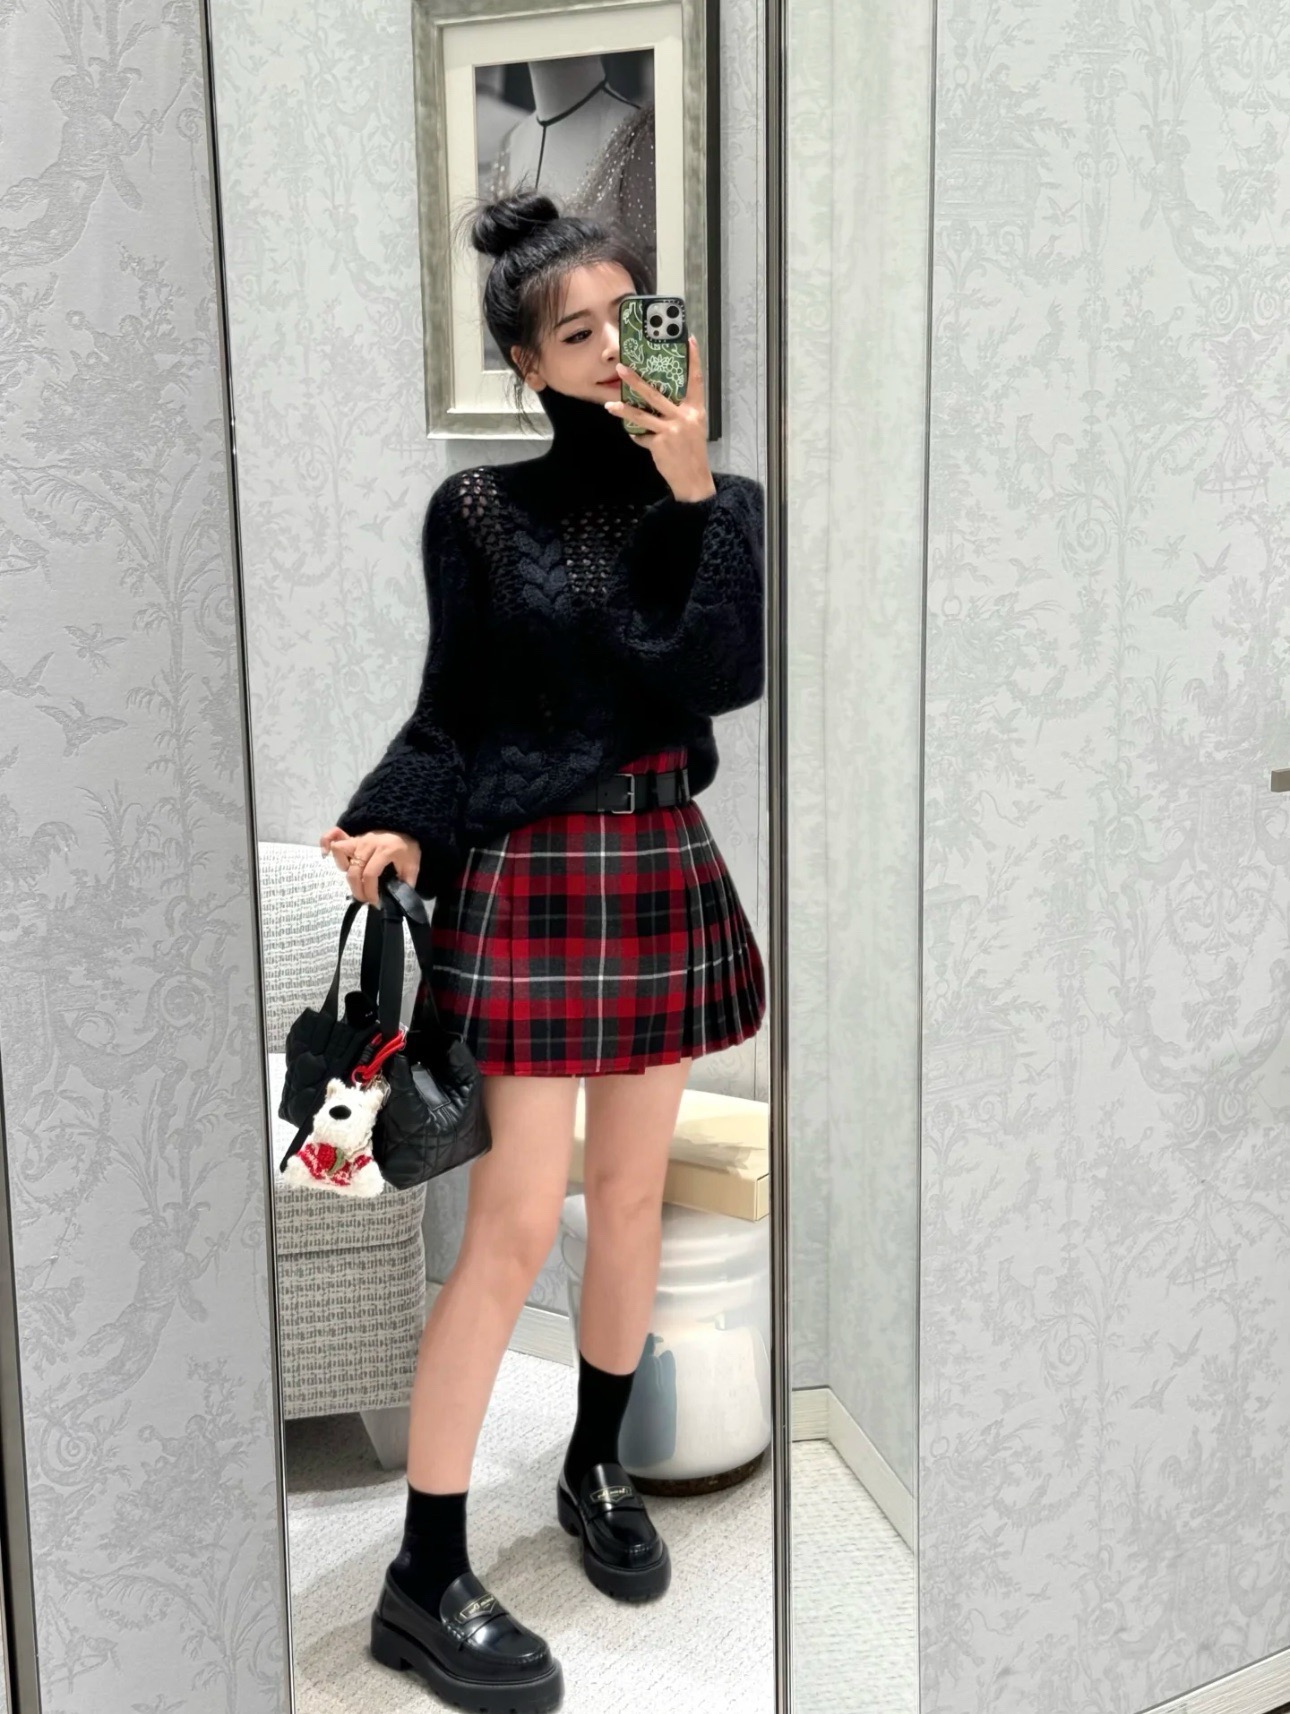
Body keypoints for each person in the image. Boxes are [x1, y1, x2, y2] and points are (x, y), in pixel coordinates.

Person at [316, 189, 766, 1714]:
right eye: (574, 333)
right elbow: (453, 709)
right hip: (531, 874)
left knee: (629, 1197)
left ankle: (592, 1466)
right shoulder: (478, 512)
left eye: (628, 319)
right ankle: (422, 1571)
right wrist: (394, 815)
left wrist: (688, 490)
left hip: (657, 858)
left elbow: (716, 673)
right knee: (514, 1222)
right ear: (525, 361)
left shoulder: (718, 501)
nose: (608, 350)